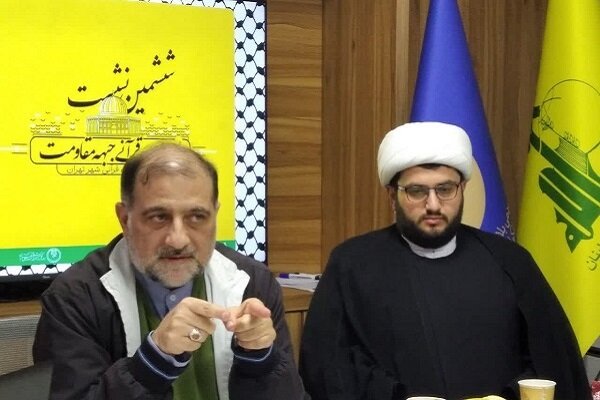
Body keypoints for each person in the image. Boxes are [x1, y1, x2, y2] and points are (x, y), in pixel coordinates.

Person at [299, 121, 591, 400]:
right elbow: (328, 369)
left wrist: (507, 396)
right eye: (416, 191)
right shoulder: (352, 265)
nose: (433, 205)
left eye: (445, 189)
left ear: (463, 188)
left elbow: (552, 362)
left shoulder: (510, 262)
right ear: (392, 195)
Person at [33, 143, 308, 400]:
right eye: (159, 217)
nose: (178, 240)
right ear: (125, 219)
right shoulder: (74, 298)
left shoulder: (252, 282)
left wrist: (261, 360)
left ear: (215, 215)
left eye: (196, 217)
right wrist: (154, 361)